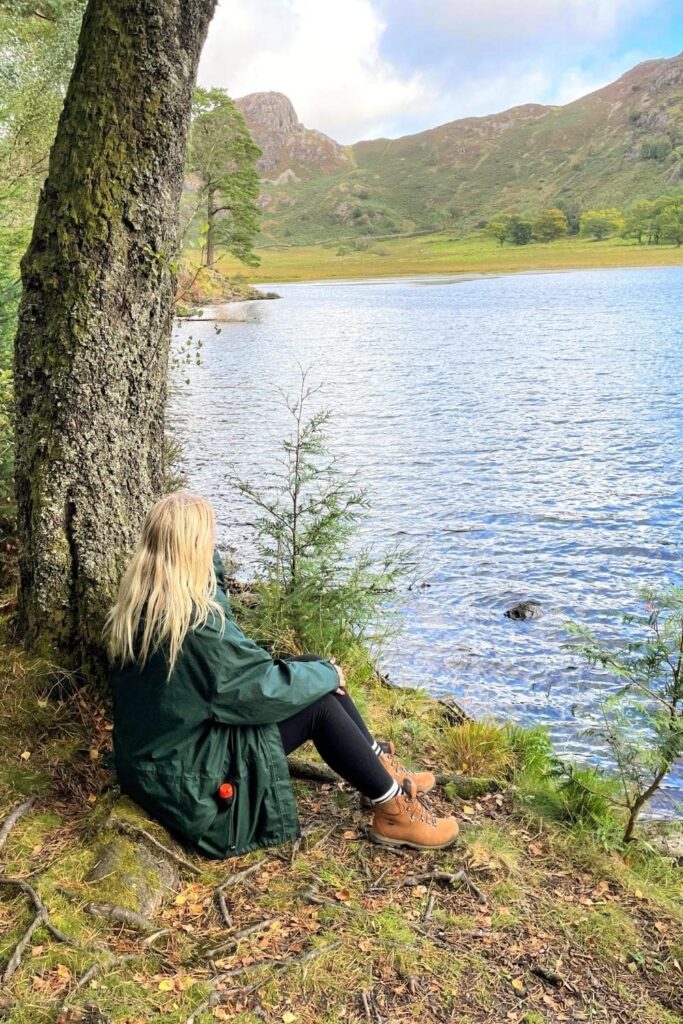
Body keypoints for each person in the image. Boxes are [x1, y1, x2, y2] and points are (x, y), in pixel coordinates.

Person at [106, 491, 459, 858]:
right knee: (319, 705)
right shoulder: (197, 627)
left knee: (309, 664)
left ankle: (379, 768)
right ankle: (393, 811)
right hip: (194, 784)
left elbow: (234, 675)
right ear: (193, 548)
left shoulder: (144, 605)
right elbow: (260, 689)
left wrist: (317, 669)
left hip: (160, 764)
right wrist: (329, 674)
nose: (216, 541)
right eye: (209, 537)